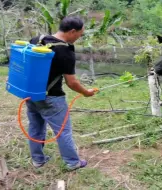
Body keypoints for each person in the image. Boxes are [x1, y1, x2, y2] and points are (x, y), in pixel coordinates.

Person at [26, 16, 95, 170]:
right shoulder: (65, 50)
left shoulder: (37, 39)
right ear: (72, 31)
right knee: (63, 131)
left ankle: (38, 160)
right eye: (80, 34)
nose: (79, 37)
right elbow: (72, 82)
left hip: (31, 93)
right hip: (52, 98)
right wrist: (86, 92)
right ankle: (72, 162)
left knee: (35, 127)